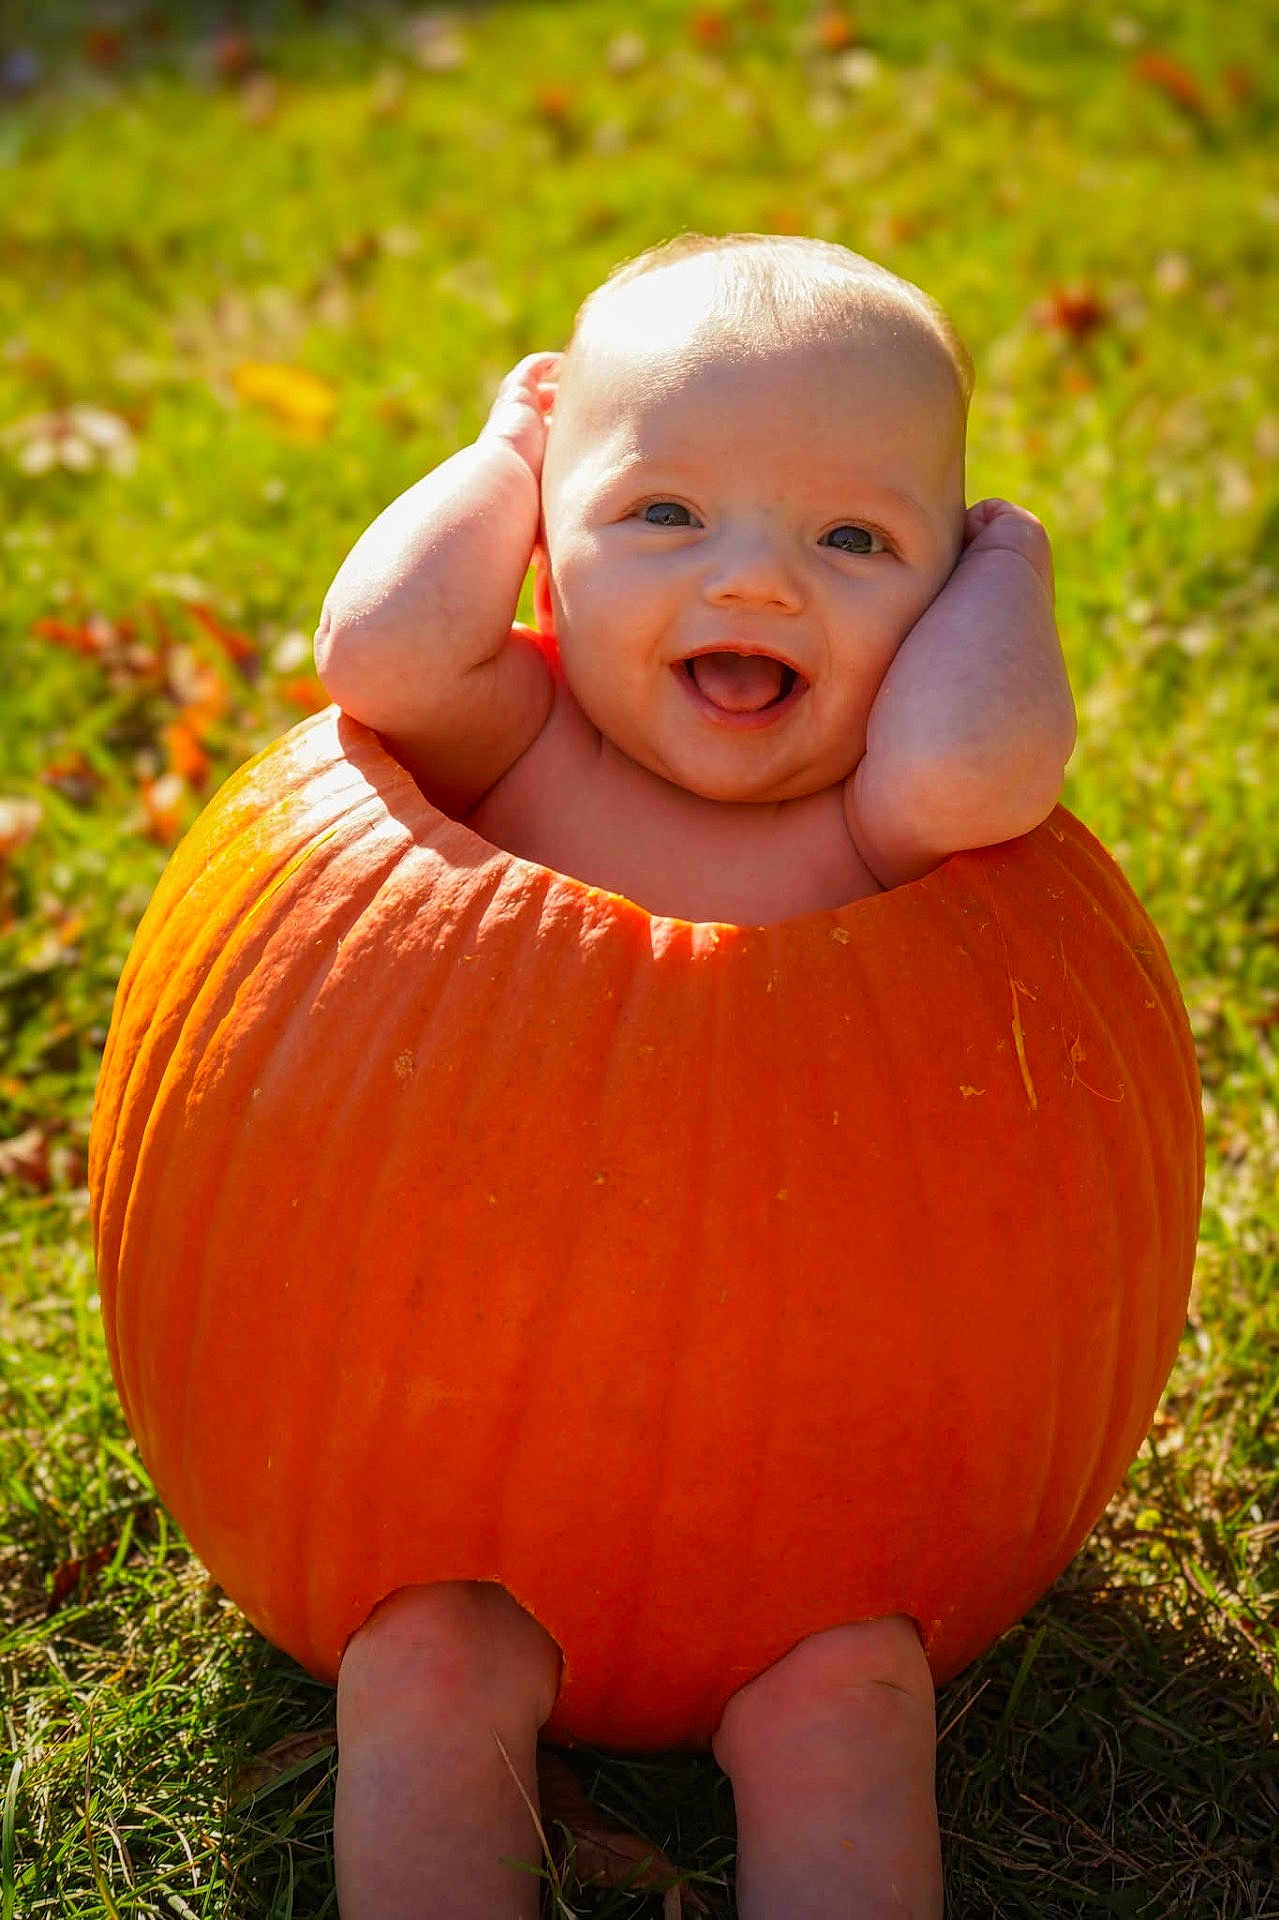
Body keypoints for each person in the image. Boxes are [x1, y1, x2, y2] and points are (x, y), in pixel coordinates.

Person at [315, 231, 1076, 1919]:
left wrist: (1008, 563)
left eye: (858, 540)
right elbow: (372, 652)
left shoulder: (876, 819)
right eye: (662, 512)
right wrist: (507, 451)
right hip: (459, 1458)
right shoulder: (511, 743)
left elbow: (979, 762)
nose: (755, 584)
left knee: (853, 1708)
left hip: (815, 1483)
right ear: (546, 550)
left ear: (941, 587)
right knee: (425, 1670)